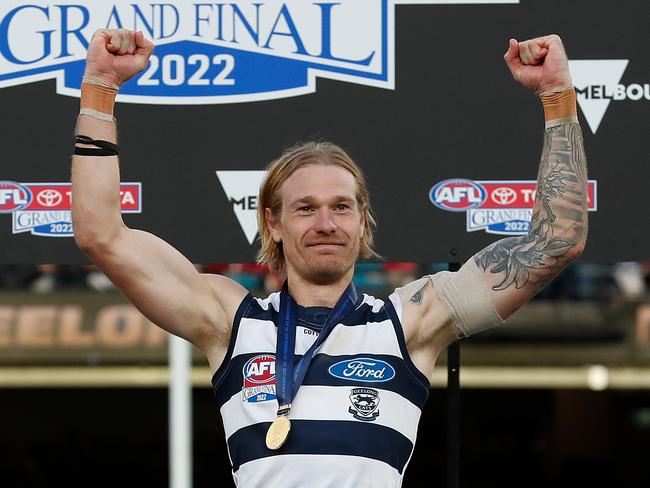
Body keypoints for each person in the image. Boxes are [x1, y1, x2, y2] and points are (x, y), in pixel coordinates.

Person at [71, 29, 588, 487]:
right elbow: (103, 235)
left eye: (341, 207)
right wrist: (100, 88)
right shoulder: (231, 320)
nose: (325, 223)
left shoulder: (408, 322)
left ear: (363, 220)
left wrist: (557, 96)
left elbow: (554, 242)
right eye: (305, 208)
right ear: (273, 222)